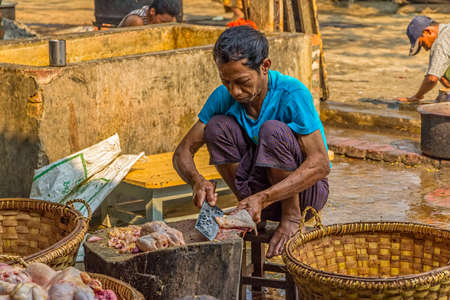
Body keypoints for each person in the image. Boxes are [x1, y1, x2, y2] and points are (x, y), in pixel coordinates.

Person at [173, 26, 330, 258]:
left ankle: (290, 218)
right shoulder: (223, 96)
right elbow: (182, 152)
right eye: (226, 82)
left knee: (273, 131)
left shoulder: (292, 93)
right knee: (217, 127)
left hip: (305, 195)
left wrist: (265, 197)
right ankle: (247, 210)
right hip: (259, 191)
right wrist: (196, 180)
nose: (235, 91)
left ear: (264, 67)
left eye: (242, 81)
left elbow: (320, 164)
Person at [397, 16, 450, 102]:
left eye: (423, 43)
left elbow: (432, 79)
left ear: (428, 31)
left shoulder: (440, 42)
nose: (426, 49)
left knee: (438, 71)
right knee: (442, 70)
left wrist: (417, 96)